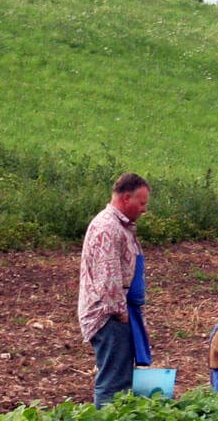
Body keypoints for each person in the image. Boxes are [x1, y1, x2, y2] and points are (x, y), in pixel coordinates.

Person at [77, 173, 151, 407]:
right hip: (108, 315)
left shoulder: (122, 226)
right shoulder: (107, 227)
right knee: (113, 382)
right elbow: (107, 277)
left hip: (119, 312)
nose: (144, 209)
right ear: (126, 198)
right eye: (142, 203)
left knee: (121, 378)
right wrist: (120, 312)